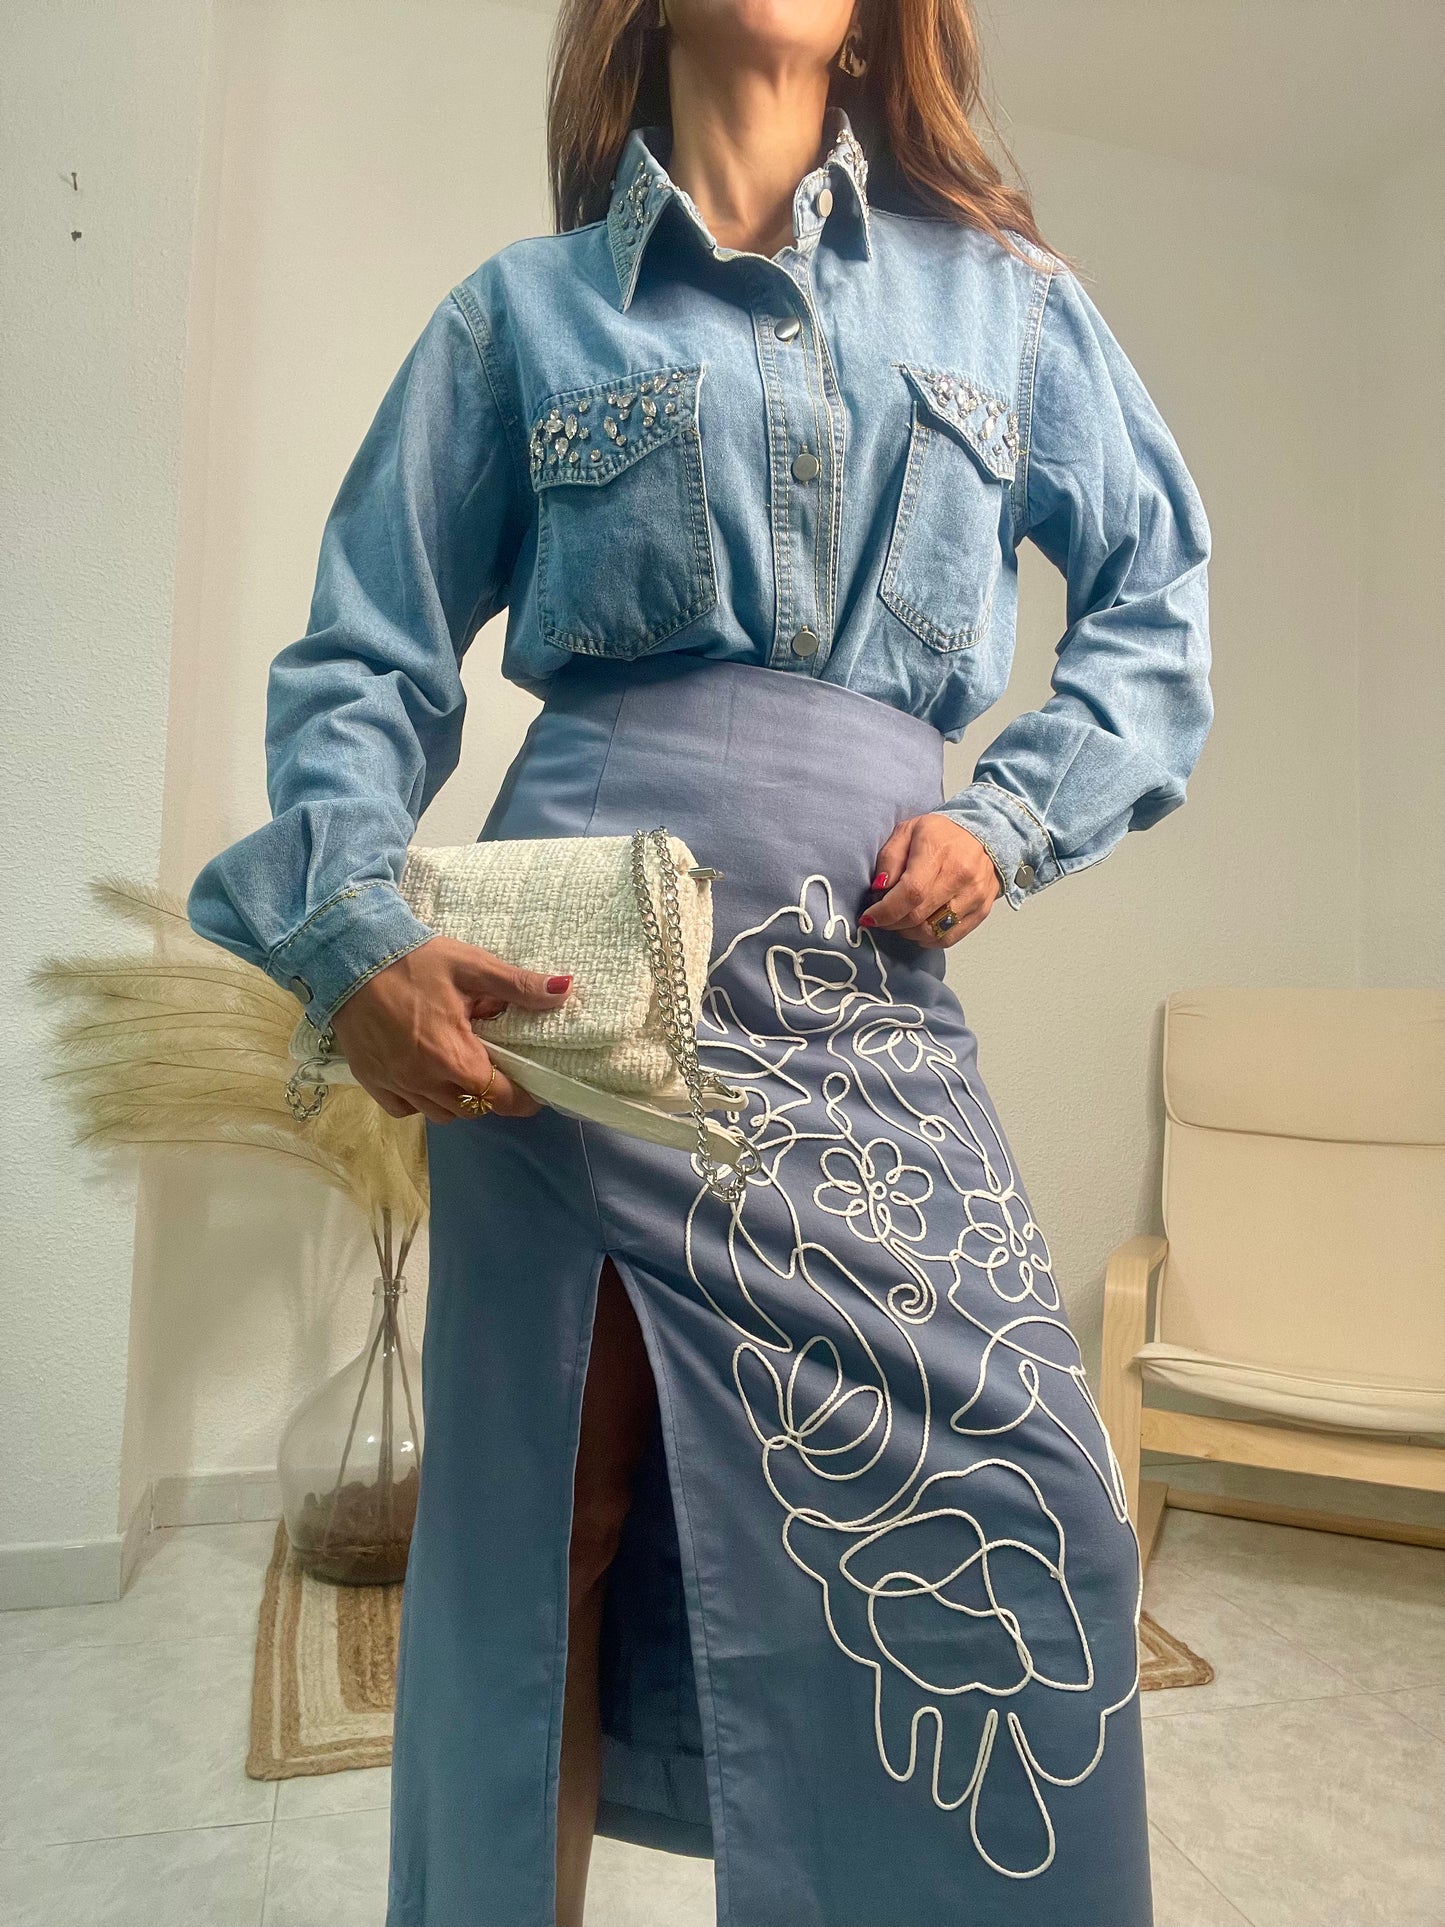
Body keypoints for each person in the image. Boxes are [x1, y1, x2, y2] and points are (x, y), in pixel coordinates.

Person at [188, 2, 1212, 1922]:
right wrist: (354, 939)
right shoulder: (519, 315)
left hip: (856, 986)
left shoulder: (1007, 305)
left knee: (1033, 1505)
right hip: (576, 1004)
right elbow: (362, 662)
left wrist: (1010, 817)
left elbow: (1158, 602)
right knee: (547, 1539)